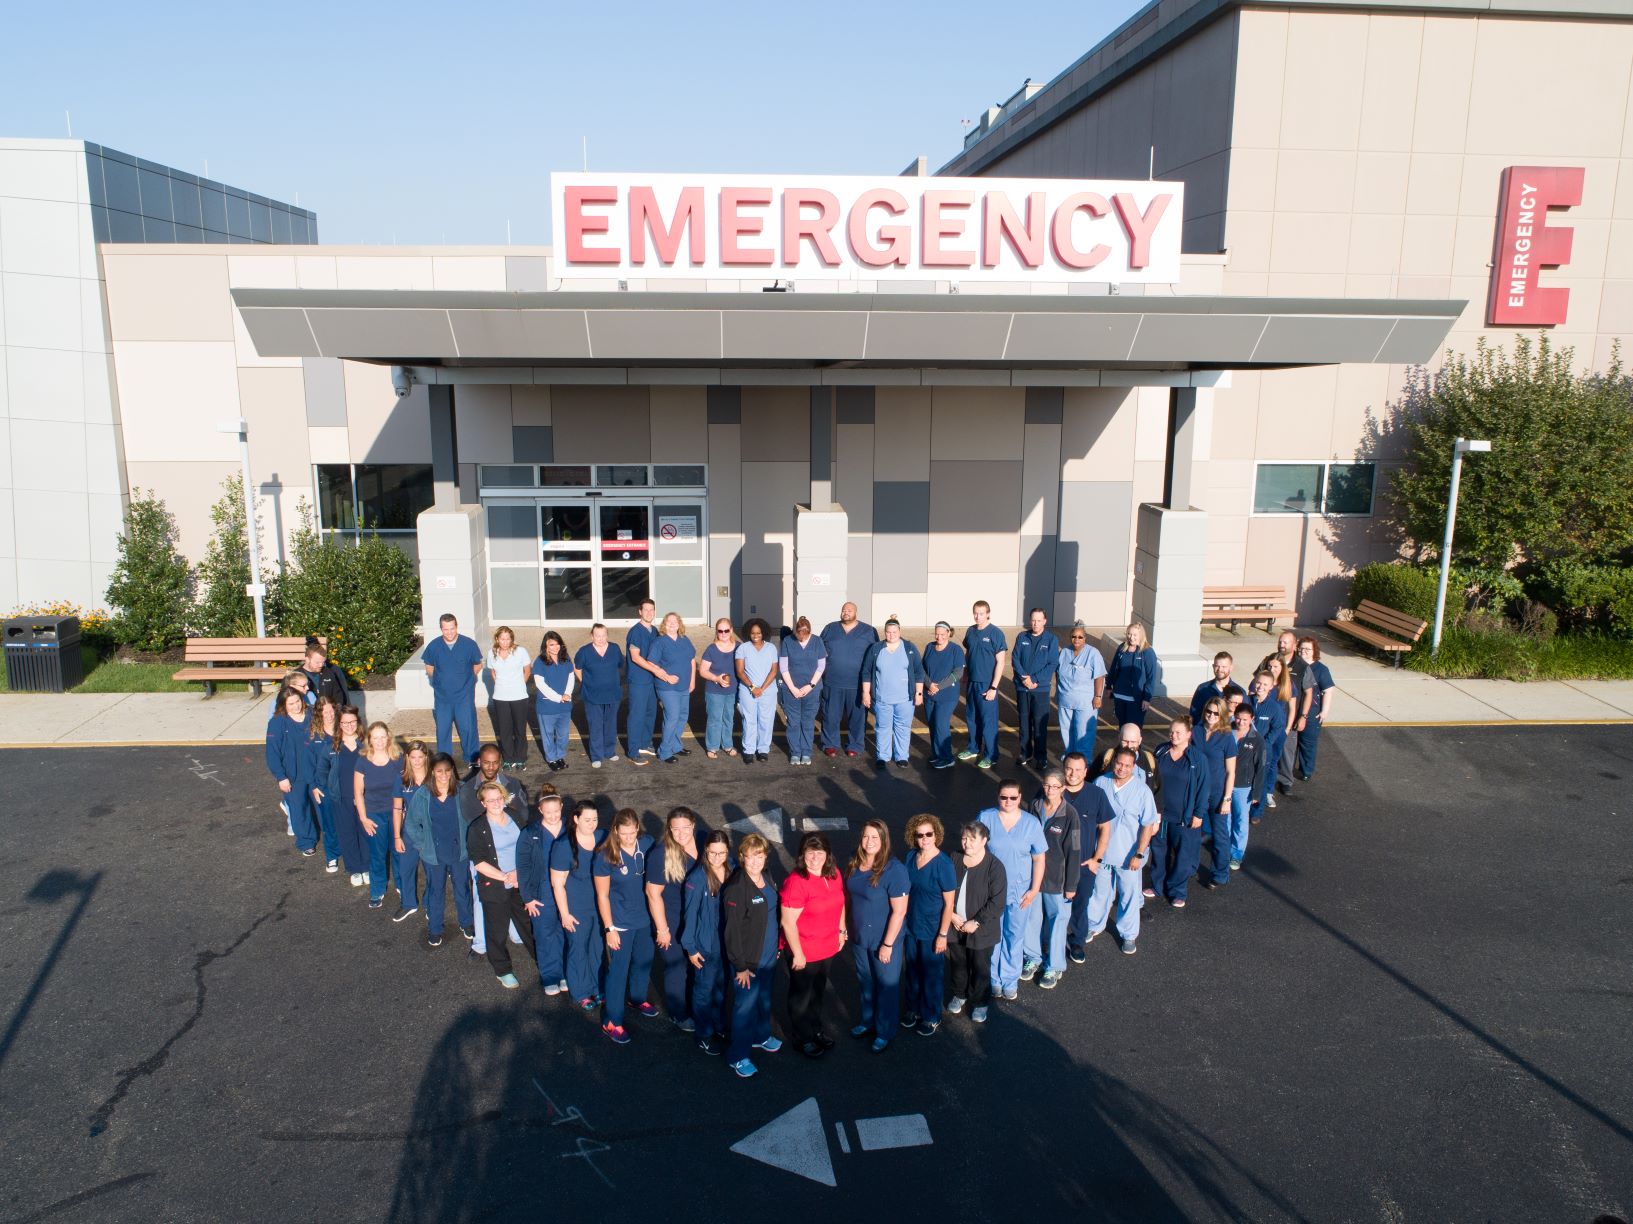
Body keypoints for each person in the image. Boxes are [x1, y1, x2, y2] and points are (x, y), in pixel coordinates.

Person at [1084, 747, 1160, 954]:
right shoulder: (1101, 783)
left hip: (1128, 856)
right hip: (1102, 853)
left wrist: (1139, 854)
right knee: (1099, 892)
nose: (1122, 768)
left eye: (1127, 765)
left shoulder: (1142, 791)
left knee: (1129, 895)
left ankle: (1128, 935)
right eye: (1119, 763)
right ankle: (1093, 925)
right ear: (1113, 762)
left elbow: (1147, 825)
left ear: (1134, 767)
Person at [977, 780, 1047, 1001]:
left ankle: (1009, 979)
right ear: (997, 797)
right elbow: (975, 850)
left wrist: (1034, 889)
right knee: (994, 935)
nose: (1008, 802)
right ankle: (995, 979)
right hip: (991, 891)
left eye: (1013, 798)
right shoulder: (985, 817)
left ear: (1020, 797)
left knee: (1014, 936)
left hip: (1020, 891)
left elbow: (1039, 858)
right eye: (1003, 797)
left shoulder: (1031, 823)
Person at [721, 832, 783, 1078]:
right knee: (744, 1007)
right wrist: (739, 966)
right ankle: (738, 1056)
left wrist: (777, 947)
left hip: (768, 955)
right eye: (750, 857)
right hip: (747, 962)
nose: (755, 862)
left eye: (760, 856)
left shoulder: (766, 877)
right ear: (742, 858)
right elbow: (732, 931)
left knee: (764, 1000)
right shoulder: (737, 888)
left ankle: (761, 1036)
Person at [467, 781, 539, 989]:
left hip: (519, 881)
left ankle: (542, 959)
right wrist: (505, 876)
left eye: (499, 798)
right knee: (496, 931)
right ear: (483, 803)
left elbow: (527, 845)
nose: (497, 803)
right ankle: (503, 970)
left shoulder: (515, 816)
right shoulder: (477, 828)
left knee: (528, 923)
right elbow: (479, 862)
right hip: (495, 885)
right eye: (491, 800)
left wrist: (518, 874)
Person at [780, 832, 847, 1058]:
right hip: (804, 952)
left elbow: (840, 902)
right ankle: (802, 1038)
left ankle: (816, 1030)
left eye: (820, 852)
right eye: (810, 852)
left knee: (818, 993)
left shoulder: (834, 874)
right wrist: (797, 953)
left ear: (827, 855)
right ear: (802, 854)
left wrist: (842, 929)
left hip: (827, 948)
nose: (815, 857)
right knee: (801, 997)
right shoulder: (796, 883)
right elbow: (787, 923)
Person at [845, 820, 910, 1049]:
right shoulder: (855, 861)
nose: (869, 842)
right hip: (860, 937)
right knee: (866, 983)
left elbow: (900, 911)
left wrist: (888, 944)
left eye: (875, 837)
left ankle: (884, 1030)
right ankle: (867, 1021)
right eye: (865, 836)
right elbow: (849, 897)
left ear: (884, 840)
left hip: (884, 939)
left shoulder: (895, 870)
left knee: (886, 986)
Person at [594, 809, 657, 1044]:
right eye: (624, 834)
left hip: (644, 919)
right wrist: (609, 928)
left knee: (644, 961)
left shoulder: (647, 843)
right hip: (620, 923)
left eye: (633, 833)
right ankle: (612, 1020)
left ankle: (638, 998)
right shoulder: (605, 856)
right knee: (618, 971)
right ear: (615, 831)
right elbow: (602, 895)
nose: (629, 838)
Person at [458, 747, 529, 955]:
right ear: (479, 761)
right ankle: (480, 943)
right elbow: (473, 822)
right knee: (482, 901)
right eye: (486, 762)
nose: (490, 767)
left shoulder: (513, 784)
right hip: (485, 857)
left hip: (510, 852)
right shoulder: (468, 789)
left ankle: (516, 933)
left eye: (495, 762)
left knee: (514, 895)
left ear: (501, 762)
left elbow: (523, 814)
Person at [402, 752, 474, 948]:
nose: (443, 775)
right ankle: (435, 929)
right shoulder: (423, 794)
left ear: (453, 771)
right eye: (439, 771)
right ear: (432, 772)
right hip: (433, 854)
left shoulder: (462, 790)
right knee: (435, 892)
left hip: (459, 852)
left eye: (447, 771)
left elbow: (472, 818)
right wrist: (422, 845)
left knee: (462, 889)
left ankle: (466, 923)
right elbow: (411, 824)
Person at [1023, 770, 1080, 989]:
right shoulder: (1035, 806)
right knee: (1031, 918)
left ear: (1063, 789)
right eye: (1047, 785)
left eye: (1055, 787)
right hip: (1035, 876)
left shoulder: (1071, 815)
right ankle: (1033, 958)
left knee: (1057, 922)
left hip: (1058, 880)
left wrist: (1072, 884)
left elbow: (1075, 850)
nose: (1050, 790)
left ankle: (1054, 966)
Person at [645, 807, 701, 1029]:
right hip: (672, 920)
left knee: (697, 966)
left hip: (697, 919)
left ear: (693, 826)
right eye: (675, 829)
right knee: (677, 967)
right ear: (669, 829)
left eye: (685, 827)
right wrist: (662, 929)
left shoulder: (704, 843)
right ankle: (678, 1014)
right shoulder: (661, 854)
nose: (681, 833)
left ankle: (697, 1008)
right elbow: (652, 893)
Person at [946, 821, 1007, 1024]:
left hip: (981, 930)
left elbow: (997, 901)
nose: (967, 843)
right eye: (964, 838)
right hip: (955, 925)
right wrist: (952, 915)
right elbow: (943, 888)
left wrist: (976, 922)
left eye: (972, 839)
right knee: (958, 963)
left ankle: (980, 1003)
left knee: (980, 966)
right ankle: (959, 994)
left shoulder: (995, 866)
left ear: (984, 841)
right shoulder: (954, 858)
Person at [901, 814, 957, 1034]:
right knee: (913, 971)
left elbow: (949, 903)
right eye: (919, 835)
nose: (924, 838)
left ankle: (931, 1015)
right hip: (911, 926)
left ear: (936, 834)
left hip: (932, 930)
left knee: (931, 974)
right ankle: (913, 1009)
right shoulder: (910, 856)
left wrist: (943, 934)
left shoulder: (943, 864)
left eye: (928, 834)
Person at [1147, 716, 1208, 908]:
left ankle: (1177, 891)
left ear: (1188, 735)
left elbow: (1203, 788)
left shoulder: (1197, 759)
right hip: (1161, 815)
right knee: (1159, 851)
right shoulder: (1161, 751)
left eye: (1178, 732)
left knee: (1183, 856)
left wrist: (1199, 814)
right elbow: (1153, 780)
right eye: (1171, 732)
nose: (1173, 735)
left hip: (1184, 817)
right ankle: (1157, 885)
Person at [681, 831, 733, 1055]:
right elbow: (690, 915)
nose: (717, 857)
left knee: (721, 989)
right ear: (706, 852)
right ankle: (704, 1033)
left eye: (721, 853)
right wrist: (690, 948)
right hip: (705, 946)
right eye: (712, 853)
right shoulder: (696, 879)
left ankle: (719, 1025)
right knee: (704, 991)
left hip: (727, 944)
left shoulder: (733, 869)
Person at [1062, 752, 1117, 963]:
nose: (1073, 774)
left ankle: (1076, 941)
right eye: (1069, 768)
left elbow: (1105, 828)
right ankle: (1049, 943)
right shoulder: (1052, 790)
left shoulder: (1096, 794)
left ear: (1086, 772)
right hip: (1056, 865)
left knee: (1080, 905)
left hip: (1084, 864)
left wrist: (1097, 859)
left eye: (1078, 770)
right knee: (1051, 908)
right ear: (1063, 767)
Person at [551, 800, 606, 1010]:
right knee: (578, 949)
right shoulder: (563, 846)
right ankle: (582, 991)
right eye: (587, 820)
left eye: (595, 819)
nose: (592, 824)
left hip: (599, 905)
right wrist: (565, 914)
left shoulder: (602, 836)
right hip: (576, 907)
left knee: (597, 947)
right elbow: (558, 884)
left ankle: (598, 986)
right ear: (575, 819)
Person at [517, 788, 569, 993]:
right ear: (540, 810)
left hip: (566, 892)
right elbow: (523, 867)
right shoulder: (530, 833)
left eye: (556, 811)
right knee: (545, 935)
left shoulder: (571, 829)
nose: (553, 815)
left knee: (566, 932)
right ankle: (550, 976)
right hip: (542, 893)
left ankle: (565, 972)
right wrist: (527, 898)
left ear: (562, 808)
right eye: (548, 812)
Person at [860, 617, 924, 769]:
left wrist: (919, 693)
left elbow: (919, 672)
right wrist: (866, 693)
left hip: (905, 699)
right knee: (883, 728)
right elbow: (866, 672)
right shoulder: (876, 649)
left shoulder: (909, 647)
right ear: (885, 632)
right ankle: (883, 756)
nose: (891, 635)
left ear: (899, 631)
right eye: (888, 632)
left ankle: (901, 756)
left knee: (903, 727)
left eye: (894, 632)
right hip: (883, 699)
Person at [353, 721, 404, 911]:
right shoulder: (363, 761)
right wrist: (364, 818)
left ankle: (401, 885)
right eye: (376, 737)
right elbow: (358, 792)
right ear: (369, 740)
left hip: (396, 812)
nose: (380, 741)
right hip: (374, 815)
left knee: (399, 851)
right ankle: (377, 890)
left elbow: (406, 786)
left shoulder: (398, 758)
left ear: (388, 737)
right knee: (377, 854)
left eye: (383, 736)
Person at [421, 613, 483, 767]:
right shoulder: (434, 646)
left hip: (464, 696)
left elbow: (477, 664)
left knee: (468, 728)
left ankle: (472, 757)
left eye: (452, 628)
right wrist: (439, 681)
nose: (449, 632)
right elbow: (429, 666)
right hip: (443, 697)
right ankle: (444, 760)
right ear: (441, 629)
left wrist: (467, 679)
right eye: (445, 629)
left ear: (456, 627)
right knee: (443, 730)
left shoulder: (469, 644)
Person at [819, 602, 878, 758]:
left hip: (857, 684)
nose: (846, 612)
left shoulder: (868, 631)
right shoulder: (830, 628)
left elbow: (875, 656)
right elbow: (818, 652)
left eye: (849, 610)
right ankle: (830, 744)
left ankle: (855, 745)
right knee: (830, 716)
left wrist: (872, 684)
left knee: (857, 717)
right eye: (844, 610)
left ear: (856, 613)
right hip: (832, 682)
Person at [1192, 697, 1239, 894]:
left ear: (1222, 715)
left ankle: (1220, 874)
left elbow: (1231, 771)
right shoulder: (1195, 731)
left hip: (1218, 794)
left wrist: (1227, 798)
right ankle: (1189, 867)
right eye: (1208, 712)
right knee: (1192, 832)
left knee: (1220, 837)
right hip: (1197, 792)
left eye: (1215, 713)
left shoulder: (1227, 737)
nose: (1211, 716)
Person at [265, 685, 317, 856]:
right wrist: (281, 777)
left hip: (315, 770)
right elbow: (272, 752)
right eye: (291, 704)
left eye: (297, 701)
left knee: (320, 805)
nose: (296, 706)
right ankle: (306, 842)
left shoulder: (312, 714)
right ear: (283, 705)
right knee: (298, 808)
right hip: (293, 774)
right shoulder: (278, 722)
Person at [958, 601, 1009, 770]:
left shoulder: (996, 633)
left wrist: (993, 687)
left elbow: (1001, 662)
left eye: (981, 613)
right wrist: (965, 674)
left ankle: (991, 755)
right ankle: (973, 748)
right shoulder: (970, 631)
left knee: (988, 722)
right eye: (975, 613)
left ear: (988, 613)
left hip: (987, 684)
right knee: (972, 718)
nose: (977, 616)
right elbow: (969, 653)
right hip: (972, 682)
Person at [1013, 607, 1061, 770]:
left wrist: (1034, 679)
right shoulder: (1022, 637)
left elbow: (1052, 663)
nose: (1035, 623)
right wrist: (1023, 678)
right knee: (1024, 722)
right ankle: (1025, 753)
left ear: (1044, 621)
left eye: (1039, 620)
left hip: (1040, 690)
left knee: (1040, 724)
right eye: (1033, 620)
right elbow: (1015, 659)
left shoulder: (1051, 640)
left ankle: (1041, 756)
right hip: (1022, 688)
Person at [573, 624, 625, 769]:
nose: (601, 638)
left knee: (610, 724)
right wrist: (586, 682)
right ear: (592, 636)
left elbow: (620, 664)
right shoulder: (584, 651)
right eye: (597, 635)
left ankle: (609, 751)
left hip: (612, 695)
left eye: (603, 635)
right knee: (595, 726)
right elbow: (577, 668)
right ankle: (596, 756)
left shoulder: (614, 649)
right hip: (592, 696)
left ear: (607, 635)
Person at [648, 612, 697, 764]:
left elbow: (692, 661)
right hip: (667, 687)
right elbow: (652, 664)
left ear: (679, 624)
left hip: (684, 686)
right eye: (669, 621)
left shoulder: (684, 639)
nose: (672, 623)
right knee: (672, 717)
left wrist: (692, 681)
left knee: (682, 716)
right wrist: (666, 677)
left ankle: (676, 746)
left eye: (675, 621)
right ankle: (664, 751)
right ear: (664, 624)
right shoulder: (659, 642)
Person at [1224, 705, 1267, 873]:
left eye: (1245, 719)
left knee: (1241, 821)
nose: (1241, 722)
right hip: (1226, 784)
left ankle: (1237, 854)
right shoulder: (1227, 733)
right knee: (1225, 818)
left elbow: (1261, 767)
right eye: (1238, 718)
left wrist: (1257, 792)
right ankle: (1224, 848)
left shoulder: (1257, 740)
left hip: (1244, 787)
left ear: (1252, 720)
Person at [326, 706, 366, 886]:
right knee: (347, 833)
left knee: (366, 833)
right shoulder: (333, 746)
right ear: (339, 724)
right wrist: (321, 788)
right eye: (345, 722)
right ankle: (354, 869)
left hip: (365, 798)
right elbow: (321, 770)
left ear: (358, 722)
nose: (349, 726)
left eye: (352, 722)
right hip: (342, 799)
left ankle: (366, 867)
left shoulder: (367, 744)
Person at [779, 616, 826, 765]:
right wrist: (792, 688)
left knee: (807, 722)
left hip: (811, 690)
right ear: (795, 632)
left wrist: (810, 685)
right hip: (791, 689)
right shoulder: (788, 641)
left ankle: (806, 752)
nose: (801, 639)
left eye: (804, 637)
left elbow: (821, 666)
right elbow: (784, 667)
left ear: (809, 633)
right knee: (793, 722)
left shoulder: (818, 641)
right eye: (798, 636)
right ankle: (795, 752)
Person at [392, 742, 431, 923]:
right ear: (407, 758)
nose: (416, 761)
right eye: (413, 757)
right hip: (408, 832)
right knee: (406, 868)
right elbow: (397, 809)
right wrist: (397, 836)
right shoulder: (401, 778)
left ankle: (431, 903)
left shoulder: (434, 778)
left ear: (425, 758)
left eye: (420, 757)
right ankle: (409, 903)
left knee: (432, 871)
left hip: (430, 833)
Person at [485, 626, 533, 770]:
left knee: (519, 728)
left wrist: (518, 685)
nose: (505, 642)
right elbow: (493, 673)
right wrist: (503, 686)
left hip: (519, 696)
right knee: (504, 730)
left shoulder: (520, 651)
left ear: (512, 639)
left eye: (508, 638)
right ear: (497, 639)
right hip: (500, 697)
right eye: (502, 639)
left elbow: (527, 670)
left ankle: (520, 758)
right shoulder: (491, 653)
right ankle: (508, 758)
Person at [1056, 622, 1106, 757]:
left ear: (1085, 638)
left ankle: (1084, 761)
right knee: (1067, 732)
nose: (1076, 640)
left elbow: (1099, 676)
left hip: (1086, 703)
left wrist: (1098, 696)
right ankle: (1069, 758)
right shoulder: (1064, 652)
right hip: (1065, 701)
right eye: (1074, 636)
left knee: (1083, 733)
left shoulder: (1093, 654)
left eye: (1080, 637)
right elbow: (1058, 673)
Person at [921, 622, 965, 769]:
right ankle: (936, 754)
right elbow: (922, 669)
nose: (939, 637)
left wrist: (938, 687)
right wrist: (929, 684)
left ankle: (947, 758)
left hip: (947, 696)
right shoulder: (929, 647)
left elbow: (958, 673)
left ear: (948, 633)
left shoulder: (955, 650)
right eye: (937, 634)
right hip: (930, 694)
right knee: (932, 725)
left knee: (941, 725)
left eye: (942, 634)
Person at [305, 697, 342, 873]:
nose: (329, 714)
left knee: (348, 822)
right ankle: (332, 856)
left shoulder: (344, 729)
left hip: (345, 786)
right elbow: (309, 764)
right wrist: (314, 786)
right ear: (319, 713)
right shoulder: (315, 735)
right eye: (324, 711)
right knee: (329, 824)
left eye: (331, 710)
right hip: (324, 788)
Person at [735, 618, 779, 764]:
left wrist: (762, 688)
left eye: (759, 633)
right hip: (748, 691)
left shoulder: (771, 648)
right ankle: (748, 750)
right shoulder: (742, 648)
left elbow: (774, 671)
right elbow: (740, 672)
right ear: (749, 633)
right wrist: (753, 687)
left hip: (768, 690)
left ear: (763, 633)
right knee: (749, 720)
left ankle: (763, 750)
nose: (756, 635)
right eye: (753, 633)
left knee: (766, 720)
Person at [624, 598, 662, 762]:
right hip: (638, 680)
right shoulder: (635, 631)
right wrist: (655, 669)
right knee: (637, 715)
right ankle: (633, 751)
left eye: (651, 610)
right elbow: (635, 657)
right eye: (645, 610)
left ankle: (645, 743)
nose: (649, 613)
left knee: (650, 713)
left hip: (652, 680)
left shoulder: (654, 631)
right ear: (640, 612)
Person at [532, 631, 575, 772]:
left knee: (563, 734)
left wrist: (567, 693)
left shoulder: (566, 659)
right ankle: (551, 758)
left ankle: (560, 756)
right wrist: (558, 697)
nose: (555, 647)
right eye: (551, 644)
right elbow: (540, 685)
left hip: (564, 706)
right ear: (546, 646)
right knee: (548, 735)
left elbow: (571, 677)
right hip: (547, 707)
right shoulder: (539, 662)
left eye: (557, 644)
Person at [1260, 651, 1300, 800]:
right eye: (1270, 666)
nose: (1272, 669)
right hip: (1262, 728)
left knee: (1272, 762)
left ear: (1282, 667)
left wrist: (1288, 728)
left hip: (1278, 731)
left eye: (1276, 666)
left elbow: (1292, 707)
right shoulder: (1261, 681)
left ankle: (1268, 792)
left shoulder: (1287, 685)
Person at [1295, 636, 1337, 779]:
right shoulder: (1293, 665)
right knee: (1290, 744)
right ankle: (1286, 771)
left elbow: (1328, 691)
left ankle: (1306, 771)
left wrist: (1324, 711)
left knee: (1307, 744)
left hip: (1312, 714)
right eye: (1301, 648)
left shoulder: (1321, 669)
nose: (1303, 651)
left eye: (1307, 649)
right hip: (1293, 711)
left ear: (1314, 651)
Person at [1248, 670, 1287, 818]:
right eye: (1258, 682)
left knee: (1260, 782)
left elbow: (1277, 727)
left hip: (1263, 750)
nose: (1260, 686)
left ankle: (1256, 812)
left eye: (1265, 684)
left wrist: (1266, 743)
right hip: (1245, 749)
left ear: (1271, 687)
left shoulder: (1274, 707)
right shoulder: (1247, 700)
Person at [698, 619, 740, 759]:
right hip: (714, 690)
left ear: (731, 630)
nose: (723, 633)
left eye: (726, 630)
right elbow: (703, 671)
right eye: (720, 631)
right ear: (716, 631)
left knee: (729, 718)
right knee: (715, 719)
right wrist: (716, 679)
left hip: (732, 690)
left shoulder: (739, 647)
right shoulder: (711, 649)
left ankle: (727, 745)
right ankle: (712, 747)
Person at [1106, 622, 1159, 729]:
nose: (1131, 637)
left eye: (1135, 635)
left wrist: (1147, 698)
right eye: (1129, 634)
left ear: (1141, 635)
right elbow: (1114, 668)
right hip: (1120, 695)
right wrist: (1109, 686)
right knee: (1123, 728)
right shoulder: (1122, 648)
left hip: (1136, 699)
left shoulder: (1147, 652)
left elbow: (1151, 677)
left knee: (1134, 730)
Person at [1190, 652, 1246, 726]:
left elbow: (1245, 715)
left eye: (1224, 666)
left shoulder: (1240, 692)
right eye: (1217, 666)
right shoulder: (1202, 689)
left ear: (1231, 667)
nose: (1220, 669)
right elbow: (1194, 714)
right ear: (1213, 666)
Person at [300, 638, 351, 707]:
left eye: (323, 662)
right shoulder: (295, 676)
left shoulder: (329, 673)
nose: (321, 665)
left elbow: (338, 697)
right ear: (307, 659)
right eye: (317, 662)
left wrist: (335, 711)